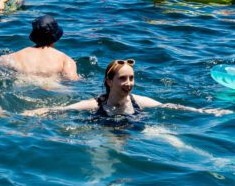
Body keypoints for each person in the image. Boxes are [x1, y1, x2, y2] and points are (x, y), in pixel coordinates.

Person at [23, 58, 229, 117]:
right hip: (106, 130)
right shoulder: (95, 105)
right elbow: (63, 110)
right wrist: (32, 112)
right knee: (103, 158)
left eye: (131, 78)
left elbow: (170, 106)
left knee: (175, 142)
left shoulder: (139, 102)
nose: (129, 83)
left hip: (135, 127)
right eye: (123, 79)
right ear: (109, 81)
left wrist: (205, 111)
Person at [0, 15, 79, 80]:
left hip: (23, 85)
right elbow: (72, 81)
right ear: (56, 38)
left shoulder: (16, 56)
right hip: (52, 89)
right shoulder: (65, 60)